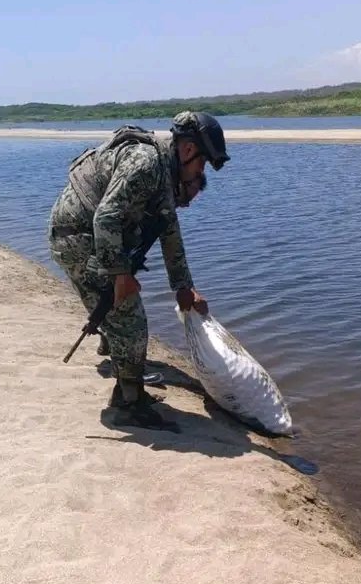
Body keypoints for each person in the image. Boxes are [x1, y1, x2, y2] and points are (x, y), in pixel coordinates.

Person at [48, 111, 229, 431]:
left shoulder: (164, 174)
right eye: (202, 164)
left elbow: (170, 235)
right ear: (188, 151)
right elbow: (105, 218)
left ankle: (128, 384)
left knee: (123, 314)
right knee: (131, 319)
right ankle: (127, 405)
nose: (199, 173)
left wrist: (184, 288)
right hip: (77, 237)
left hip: (90, 237)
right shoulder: (147, 164)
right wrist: (120, 275)